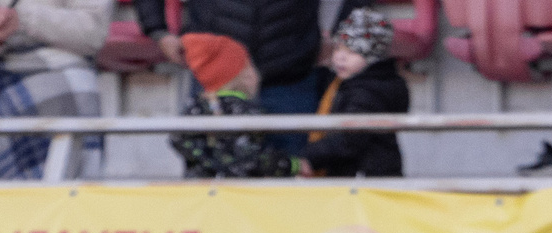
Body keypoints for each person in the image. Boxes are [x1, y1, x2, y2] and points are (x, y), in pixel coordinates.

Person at [0, 0, 110, 180]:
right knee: (5, 97)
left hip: (68, 61)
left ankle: (76, 189)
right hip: (3, 68)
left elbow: (92, 31)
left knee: (71, 85)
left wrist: (24, 19)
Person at [138, 0, 324, 132]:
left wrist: (343, 39)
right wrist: (158, 30)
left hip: (291, 76)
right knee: (208, 180)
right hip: (214, 79)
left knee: (293, 180)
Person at [299, 8, 406, 179]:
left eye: (352, 52)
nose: (340, 57)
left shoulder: (369, 91)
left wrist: (311, 158)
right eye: (338, 49)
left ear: (373, 58)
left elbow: (349, 139)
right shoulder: (347, 84)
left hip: (364, 180)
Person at [171, 34, 293, 179]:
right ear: (247, 76)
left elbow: (177, 138)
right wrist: (293, 165)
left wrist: (206, 160)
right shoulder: (248, 112)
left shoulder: (195, 108)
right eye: (250, 65)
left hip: (201, 193)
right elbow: (256, 159)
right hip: (239, 195)